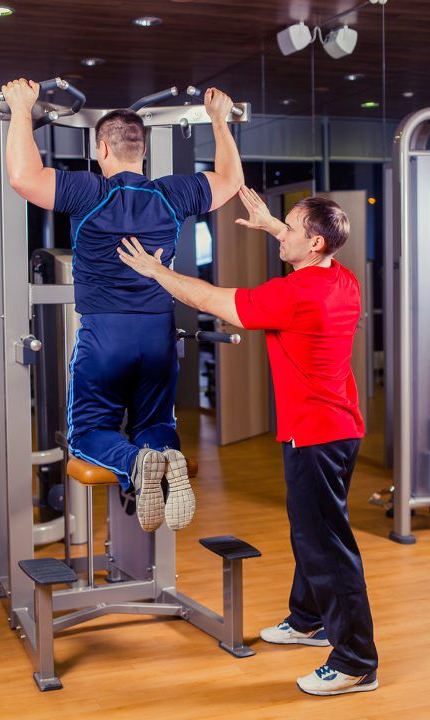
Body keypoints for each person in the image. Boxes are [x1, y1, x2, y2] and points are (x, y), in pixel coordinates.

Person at [117, 186, 378, 697]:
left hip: (317, 436)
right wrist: (274, 228)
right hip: (339, 429)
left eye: (294, 226)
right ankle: (308, 619)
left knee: (327, 545)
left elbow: (216, 302)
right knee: (312, 530)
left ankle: (355, 661)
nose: (284, 227)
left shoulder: (295, 295)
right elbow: (302, 249)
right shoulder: (340, 279)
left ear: (317, 243)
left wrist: (158, 273)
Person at [2, 78, 244, 533]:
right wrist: (219, 120)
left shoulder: (89, 192)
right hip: (157, 334)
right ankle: (163, 455)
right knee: (154, 420)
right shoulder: (171, 194)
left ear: (102, 151)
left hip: (104, 336)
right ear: (143, 152)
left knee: (88, 433)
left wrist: (20, 108)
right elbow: (231, 180)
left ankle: (137, 464)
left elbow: (22, 177)